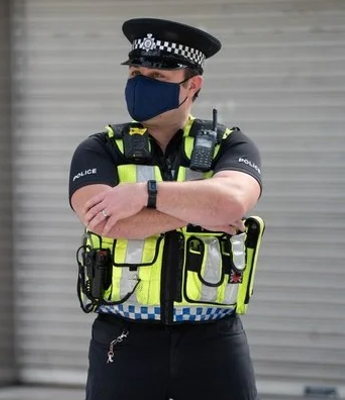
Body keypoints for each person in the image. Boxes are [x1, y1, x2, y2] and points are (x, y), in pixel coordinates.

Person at [69, 18, 266, 400]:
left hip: (214, 339)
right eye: (135, 72)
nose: (141, 82)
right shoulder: (99, 148)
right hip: (124, 339)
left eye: (157, 76)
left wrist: (144, 194)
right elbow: (103, 221)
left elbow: (232, 201)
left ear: (192, 85)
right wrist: (201, 210)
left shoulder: (231, 145)